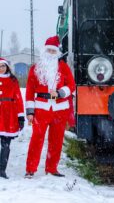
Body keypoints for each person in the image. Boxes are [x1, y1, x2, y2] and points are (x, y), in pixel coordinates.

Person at [25, 36, 75, 178]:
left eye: (54, 51)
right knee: (36, 139)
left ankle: (52, 169)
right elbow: (29, 90)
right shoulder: (35, 69)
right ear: (44, 51)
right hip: (41, 108)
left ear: (58, 53)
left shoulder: (63, 67)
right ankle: (30, 168)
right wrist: (30, 111)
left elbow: (71, 86)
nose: (51, 54)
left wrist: (59, 93)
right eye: (49, 51)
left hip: (60, 109)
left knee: (56, 140)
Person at [0, 58, 24, 179]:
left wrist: (21, 117)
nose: (1, 68)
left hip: (9, 114)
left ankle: (2, 169)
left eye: (3, 66)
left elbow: (18, 98)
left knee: (6, 144)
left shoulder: (13, 80)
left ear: (7, 67)